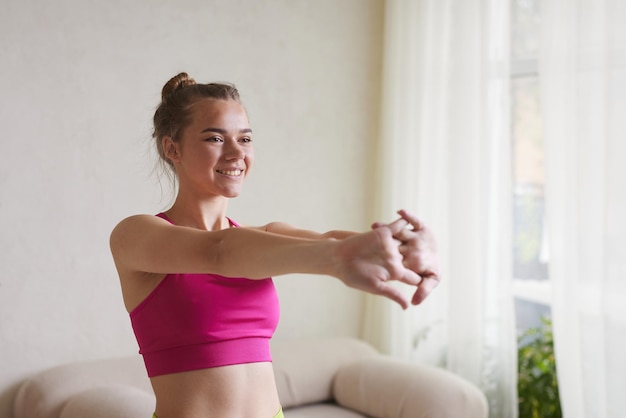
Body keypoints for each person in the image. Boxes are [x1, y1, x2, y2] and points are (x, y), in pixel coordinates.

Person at [109, 72, 441, 418]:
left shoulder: (263, 237)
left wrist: (409, 249)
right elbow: (218, 251)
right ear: (172, 148)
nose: (237, 152)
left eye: (246, 138)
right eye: (215, 138)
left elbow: (336, 241)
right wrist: (336, 259)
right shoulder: (137, 235)